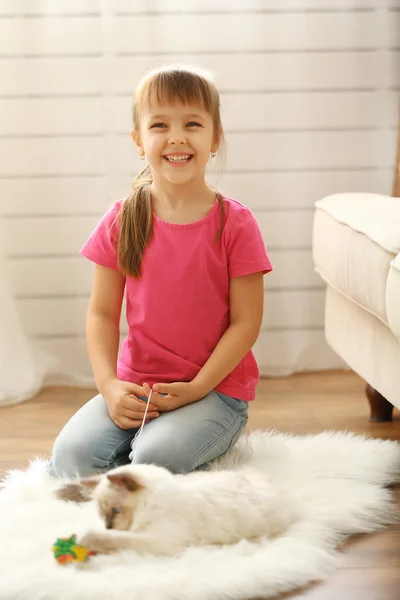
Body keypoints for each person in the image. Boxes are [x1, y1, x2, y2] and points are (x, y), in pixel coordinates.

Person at [49, 64, 273, 478]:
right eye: (159, 125)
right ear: (139, 140)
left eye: (193, 123)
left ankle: (192, 437)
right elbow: (101, 314)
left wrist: (198, 388)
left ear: (214, 138)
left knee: (155, 460)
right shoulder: (122, 219)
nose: (176, 137)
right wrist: (109, 386)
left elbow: (246, 322)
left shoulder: (235, 224)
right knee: (70, 460)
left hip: (215, 391)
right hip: (137, 385)